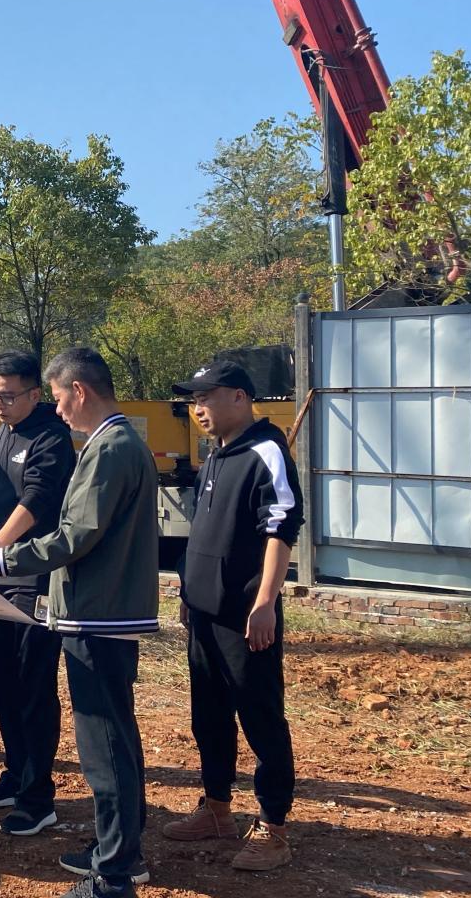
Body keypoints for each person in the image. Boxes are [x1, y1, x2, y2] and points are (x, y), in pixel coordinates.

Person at [0, 348, 159, 898]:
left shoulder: (110, 448)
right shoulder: (113, 444)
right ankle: (119, 846)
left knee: (104, 746)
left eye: (59, 397)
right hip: (104, 610)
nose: (59, 409)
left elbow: (74, 535)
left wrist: (1, 560)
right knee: (114, 738)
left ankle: (115, 872)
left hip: (100, 613)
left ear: (80, 392)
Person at [161, 360, 303, 871]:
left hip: (246, 618)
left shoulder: (266, 451)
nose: (198, 408)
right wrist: (190, 592)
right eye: (194, 400)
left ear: (240, 397)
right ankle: (217, 809)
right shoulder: (218, 455)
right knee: (209, 717)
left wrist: (264, 603)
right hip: (204, 614)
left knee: (260, 718)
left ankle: (273, 828)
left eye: (207, 397)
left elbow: (281, 530)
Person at [0, 350, 75, 837]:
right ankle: (16, 774)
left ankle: (38, 798)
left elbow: (36, 500)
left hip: (33, 581)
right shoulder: (2, 433)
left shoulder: (50, 436)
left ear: (35, 394)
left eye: (9, 396)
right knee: (4, 683)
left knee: (34, 688)